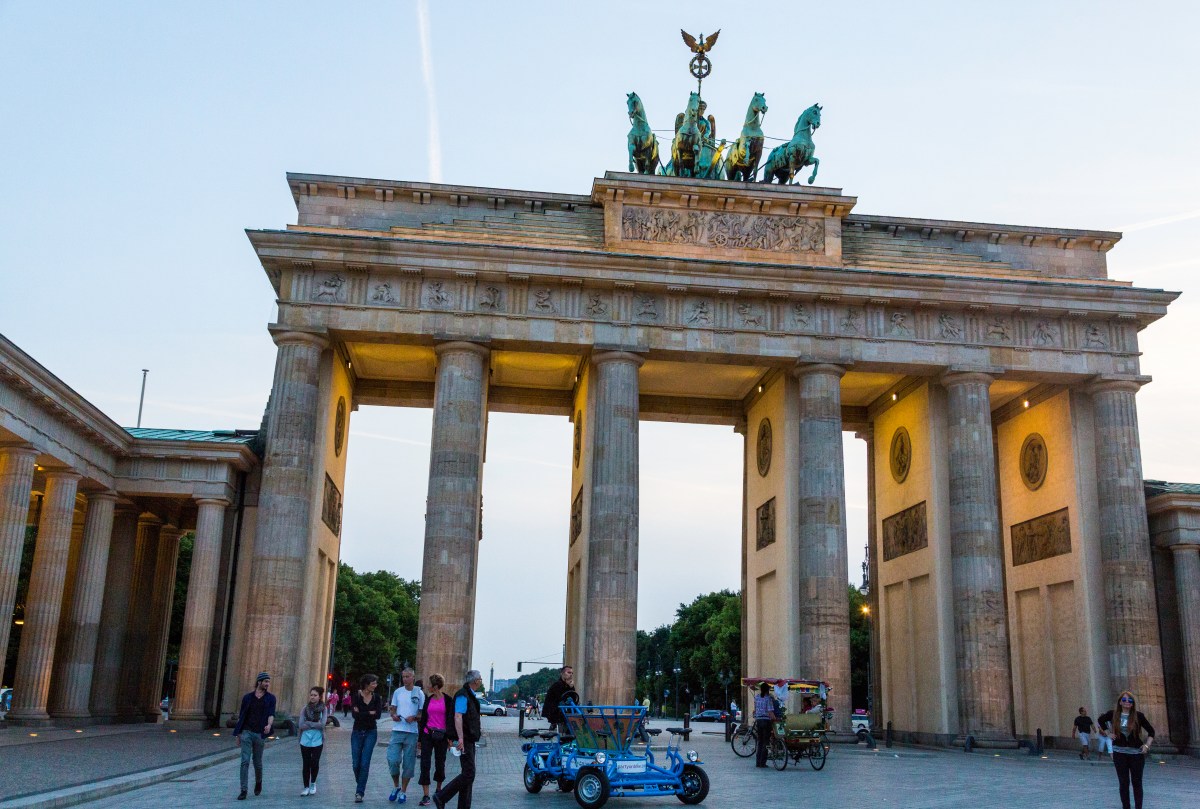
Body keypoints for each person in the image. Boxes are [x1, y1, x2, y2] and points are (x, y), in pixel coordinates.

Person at [432, 669, 483, 809]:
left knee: (467, 774)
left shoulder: (469, 695)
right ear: (475, 681)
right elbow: (458, 716)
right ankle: (441, 796)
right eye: (480, 678)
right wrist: (460, 738)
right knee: (469, 773)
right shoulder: (463, 695)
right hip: (465, 739)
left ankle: (463, 806)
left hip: (469, 738)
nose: (481, 680)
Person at [1098, 691, 1156, 809]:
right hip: (1119, 753)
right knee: (1123, 783)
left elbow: (1151, 731)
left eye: (1130, 700)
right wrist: (1108, 733)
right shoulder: (1113, 714)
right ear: (1120, 702)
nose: (1127, 702)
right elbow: (1100, 720)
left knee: (1137, 782)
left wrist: (1146, 746)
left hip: (1136, 754)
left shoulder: (1138, 716)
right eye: (1124, 700)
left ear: (1133, 703)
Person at [233, 671, 276, 800]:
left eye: (268, 682)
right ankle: (243, 790)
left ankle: (258, 782)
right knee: (244, 761)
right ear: (259, 682)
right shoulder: (247, 698)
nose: (268, 684)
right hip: (246, 731)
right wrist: (238, 734)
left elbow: (271, 714)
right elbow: (242, 716)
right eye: (266, 681)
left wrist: (269, 725)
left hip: (260, 733)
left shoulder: (270, 698)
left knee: (257, 762)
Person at [388, 668, 425, 803]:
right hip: (397, 730)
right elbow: (392, 708)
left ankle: (403, 791)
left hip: (412, 732)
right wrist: (393, 715)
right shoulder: (398, 692)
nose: (405, 679)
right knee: (393, 760)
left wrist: (414, 717)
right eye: (403, 676)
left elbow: (422, 714)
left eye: (407, 676)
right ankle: (396, 786)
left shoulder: (419, 693)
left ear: (413, 677)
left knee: (408, 763)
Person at [417, 673, 453, 807]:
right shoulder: (428, 699)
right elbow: (424, 720)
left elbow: (451, 720)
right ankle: (425, 795)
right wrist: (420, 739)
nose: (427, 686)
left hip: (442, 736)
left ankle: (439, 790)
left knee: (440, 763)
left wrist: (450, 738)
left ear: (435, 686)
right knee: (425, 764)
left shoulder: (448, 700)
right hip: (427, 734)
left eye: (429, 684)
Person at [350, 674, 384, 803]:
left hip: (371, 732)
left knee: (364, 763)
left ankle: (359, 792)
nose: (375, 685)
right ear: (366, 684)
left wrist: (362, 713)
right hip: (357, 731)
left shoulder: (376, 698)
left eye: (376, 683)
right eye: (373, 683)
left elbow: (378, 715)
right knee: (355, 764)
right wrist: (369, 713)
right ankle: (361, 782)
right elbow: (354, 715)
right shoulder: (356, 696)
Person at [297, 686, 328, 796]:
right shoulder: (305, 709)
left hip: (317, 740)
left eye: (315, 695)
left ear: (319, 697)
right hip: (305, 739)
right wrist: (315, 724)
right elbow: (301, 725)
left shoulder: (323, 709)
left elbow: (322, 724)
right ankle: (305, 786)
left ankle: (313, 783)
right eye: (311, 695)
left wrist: (309, 723)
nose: (312, 697)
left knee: (314, 762)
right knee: (306, 763)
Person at [542, 665, 577, 733]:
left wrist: (571, 687)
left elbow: (574, 698)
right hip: (554, 712)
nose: (571, 675)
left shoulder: (567, 685)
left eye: (572, 673)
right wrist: (569, 688)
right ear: (562, 674)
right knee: (569, 724)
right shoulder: (558, 684)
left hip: (562, 711)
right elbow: (562, 698)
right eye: (568, 672)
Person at [753, 681, 778, 769]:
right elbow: (770, 712)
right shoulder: (768, 699)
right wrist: (775, 719)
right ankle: (763, 762)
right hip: (766, 721)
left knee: (760, 741)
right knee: (765, 742)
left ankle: (758, 762)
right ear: (768, 690)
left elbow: (755, 709)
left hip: (759, 720)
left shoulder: (757, 697)